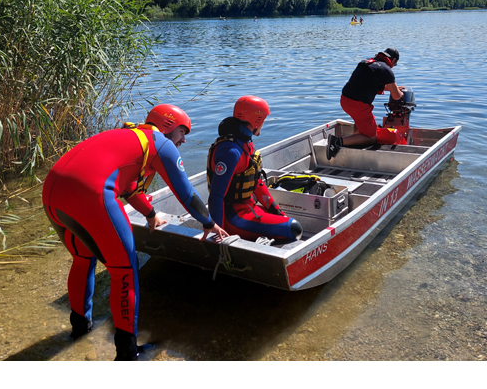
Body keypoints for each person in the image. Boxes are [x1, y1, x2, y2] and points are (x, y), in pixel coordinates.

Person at [42, 104, 228, 360]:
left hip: (53, 191)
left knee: (83, 259)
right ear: (168, 126)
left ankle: (80, 331)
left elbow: (129, 188)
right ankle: (128, 352)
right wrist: (208, 223)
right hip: (89, 193)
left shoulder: (130, 137)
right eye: (182, 132)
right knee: (124, 271)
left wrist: (151, 215)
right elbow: (186, 193)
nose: (184, 139)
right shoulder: (160, 144)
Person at [207, 96, 303, 243]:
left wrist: (276, 211)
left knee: (284, 219)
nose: (263, 124)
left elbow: (256, 183)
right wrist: (217, 232)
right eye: (263, 120)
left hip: (248, 208)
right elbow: (216, 196)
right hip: (233, 218)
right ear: (256, 121)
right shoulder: (231, 151)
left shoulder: (245, 144)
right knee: (294, 228)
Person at [327, 47, 406, 159]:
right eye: (395, 64)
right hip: (358, 105)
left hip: (345, 100)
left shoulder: (367, 63)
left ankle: (354, 140)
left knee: (361, 122)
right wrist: (399, 93)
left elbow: (368, 85)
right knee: (371, 137)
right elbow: (396, 96)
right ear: (393, 60)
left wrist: (393, 88)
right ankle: (337, 141)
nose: (393, 66)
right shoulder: (387, 70)